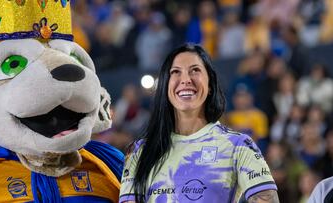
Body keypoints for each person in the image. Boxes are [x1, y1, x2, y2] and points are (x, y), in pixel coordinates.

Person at [119, 44, 279, 203]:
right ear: (165, 86)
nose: (186, 80)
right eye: (176, 72)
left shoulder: (238, 145)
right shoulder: (139, 152)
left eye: (195, 70)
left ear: (210, 85)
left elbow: (267, 199)